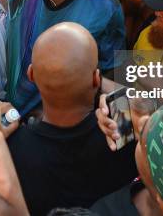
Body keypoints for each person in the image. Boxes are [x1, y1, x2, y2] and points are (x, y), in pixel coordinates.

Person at [8, 23, 137, 216]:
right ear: (96, 79)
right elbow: (145, 105)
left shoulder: (12, 147)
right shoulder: (123, 131)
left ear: (31, 74)